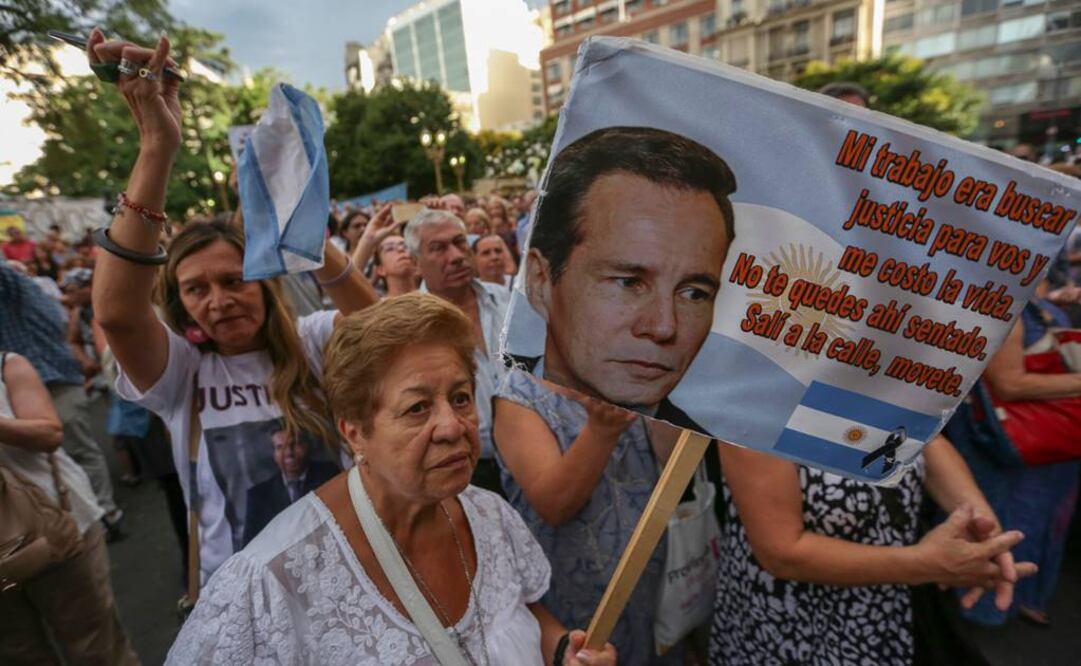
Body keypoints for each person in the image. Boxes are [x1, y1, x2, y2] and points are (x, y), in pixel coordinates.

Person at [167, 294, 617, 666]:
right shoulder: (272, 582)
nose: (452, 426)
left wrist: (563, 652)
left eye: (460, 398)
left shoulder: (489, 515)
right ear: (355, 431)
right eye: (417, 408)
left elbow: (525, 617)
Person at [85, 29, 380, 583]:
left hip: (351, 579)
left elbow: (379, 325)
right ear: (181, 302)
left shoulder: (314, 339)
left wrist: (302, 231)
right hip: (240, 598)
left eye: (234, 279)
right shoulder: (182, 374)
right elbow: (118, 313)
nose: (218, 301)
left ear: (264, 282)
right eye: (196, 289)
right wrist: (156, 144)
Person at [708, 432, 1035, 665]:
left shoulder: (884, 360)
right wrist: (926, 564)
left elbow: (927, 439)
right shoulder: (760, 397)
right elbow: (782, 551)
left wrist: (981, 524)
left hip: (888, 613)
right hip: (791, 629)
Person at [522, 125, 737, 430]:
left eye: (694, 293)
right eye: (629, 282)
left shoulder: (722, 455)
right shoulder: (477, 413)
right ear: (540, 280)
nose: (664, 327)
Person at [494, 371, 686, 664]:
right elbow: (555, 505)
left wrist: (671, 393)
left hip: (655, 590)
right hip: (579, 609)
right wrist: (601, 430)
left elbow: (671, 461)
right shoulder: (519, 396)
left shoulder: (629, 368)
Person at [949, 280, 1081, 628]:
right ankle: (986, 606)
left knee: (1041, 521)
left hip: (1048, 441)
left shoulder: (1031, 296)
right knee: (1006, 517)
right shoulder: (1004, 302)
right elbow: (1009, 383)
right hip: (1014, 443)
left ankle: (1022, 596)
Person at [0, 352, 139, 665]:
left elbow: (49, 433)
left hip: (54, 527)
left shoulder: (8, 366)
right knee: (18, 653)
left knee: (96, 647)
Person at [0, 262, 123, 532]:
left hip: (54, 382)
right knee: (54, 457)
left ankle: (104, 514)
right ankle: (80, 514)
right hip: (23, 388)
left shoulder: (16, 290)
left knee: (78, 448)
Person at [406, 209, 510, 493]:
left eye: (460, 242)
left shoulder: (507, 301)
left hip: (539, 454)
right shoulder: (411, 327)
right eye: (438, 248)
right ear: (415, 263)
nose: (455, 256)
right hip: (469, 472)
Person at [241, 428, 338, 546]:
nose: (288, 453)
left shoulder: (330, 475)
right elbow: (249, 546)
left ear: (308, 446)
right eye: (280, 447)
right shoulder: (258, 495)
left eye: (295, 444)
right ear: (274, 454)